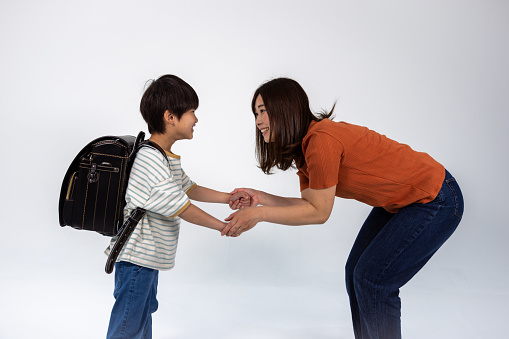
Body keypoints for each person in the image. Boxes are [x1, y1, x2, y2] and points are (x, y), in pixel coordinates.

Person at [224, 77, 464, 339]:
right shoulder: (306, 150)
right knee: (357, 274)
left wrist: (258, 215)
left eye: (263, 111)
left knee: (373, 280)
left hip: (436, 197)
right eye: (255, 113)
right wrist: (260, 198)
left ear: (285, 108)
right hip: (401, 202)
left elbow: (319, 213)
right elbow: (310, 204)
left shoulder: (322, 140)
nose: (258, 121)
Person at [104, 74, 248, 339]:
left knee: (141, 319)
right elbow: (183, 207)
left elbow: (189, 188)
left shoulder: (164, 157)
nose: (196, 119)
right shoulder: (150, 160)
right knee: (127, 327)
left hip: (147, 261)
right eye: (192, 112)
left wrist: (227, 197)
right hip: (137, 260)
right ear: (170, 117)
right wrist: (224, 226)